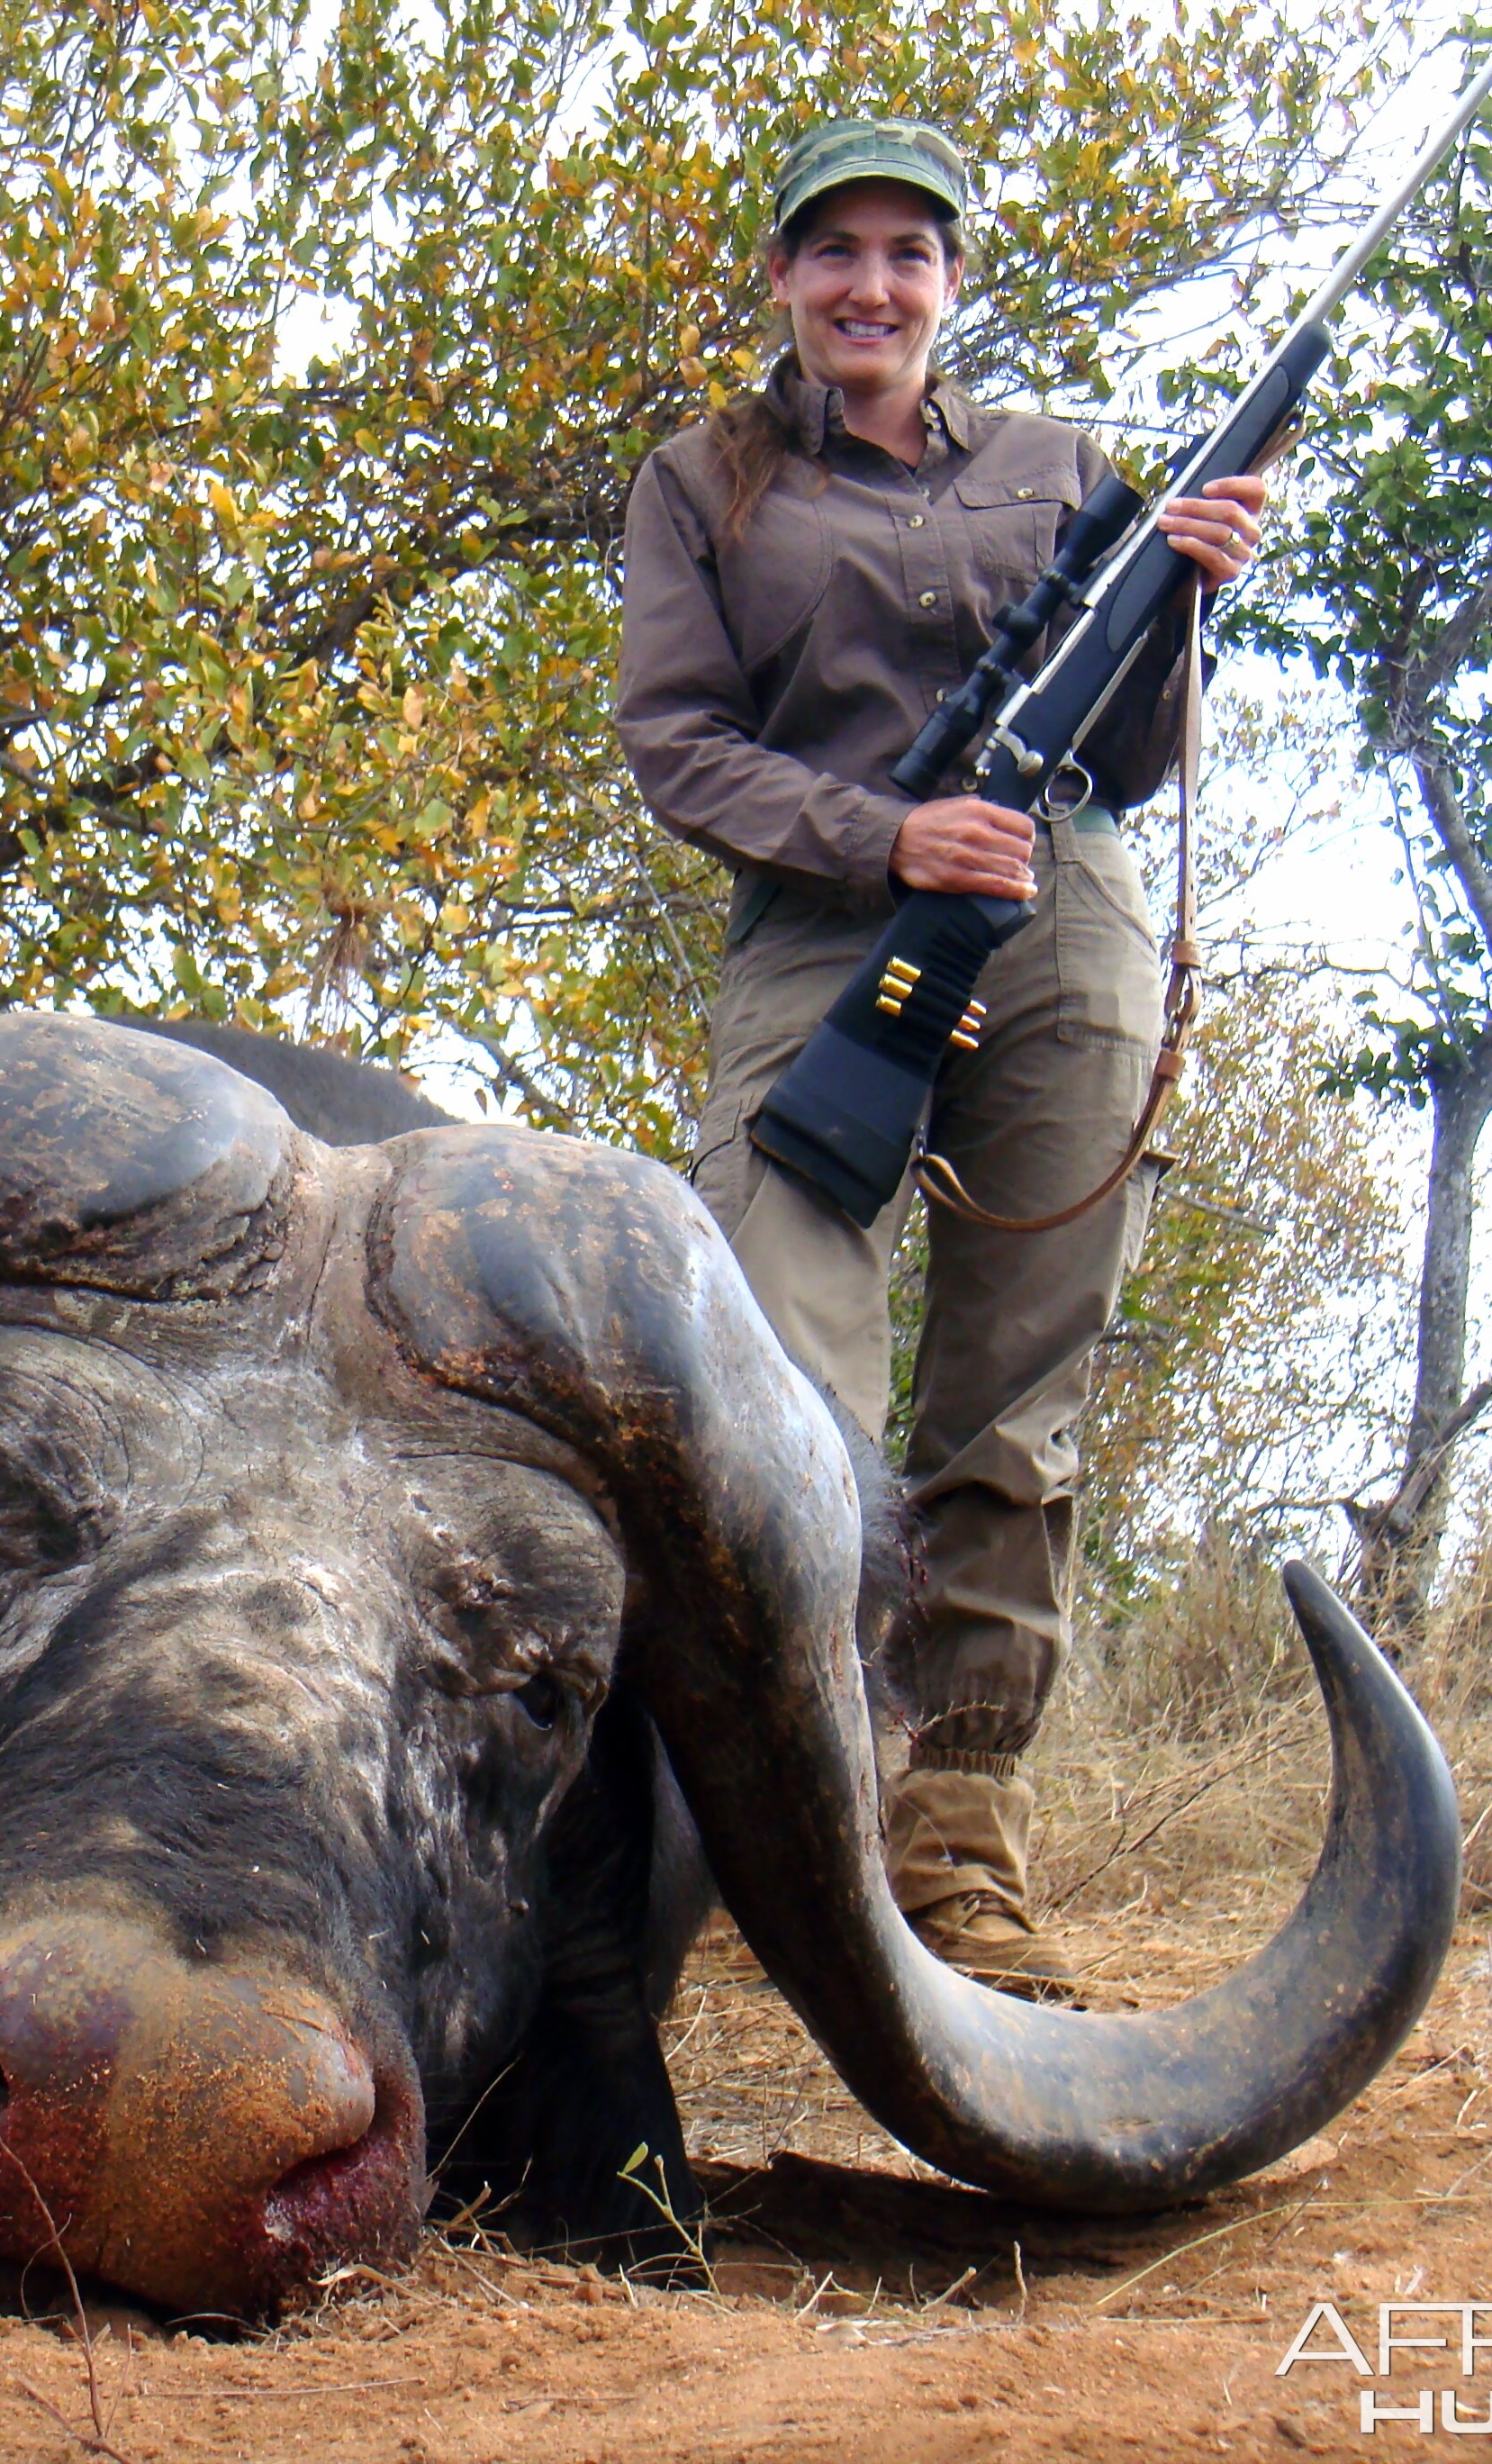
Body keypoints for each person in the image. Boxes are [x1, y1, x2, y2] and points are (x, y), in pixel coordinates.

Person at [615, 118, 1266, 1992]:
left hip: (1062, 925)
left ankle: (961, 1853)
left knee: (1015, 1405)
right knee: (779, 1395)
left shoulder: (1066, 470)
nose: (871, 288)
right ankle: (789, 1832)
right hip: (823, 943)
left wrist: (1184, 596)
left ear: (953, 281)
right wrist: (882, 838)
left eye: (909, 255)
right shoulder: (697, 482)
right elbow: (678, 744)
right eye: (835, 255)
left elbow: (1129, 759)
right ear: (783, 280)